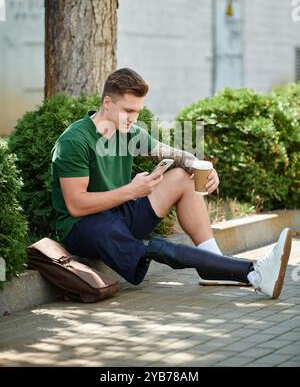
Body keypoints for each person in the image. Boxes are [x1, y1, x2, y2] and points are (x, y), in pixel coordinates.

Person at [51, 68, 292, 299]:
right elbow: (76, 205)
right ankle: (253, 273)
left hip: (117, 213)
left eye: (138, 112)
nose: (133, 118)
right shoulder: (74, 141)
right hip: (84, 227)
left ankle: (215, 265)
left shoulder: (128, 132)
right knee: (153, 248)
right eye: (128, 111)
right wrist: (130, 191)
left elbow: (169, 152)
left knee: (182, 177)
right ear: (107, 103)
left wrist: (199, 166)